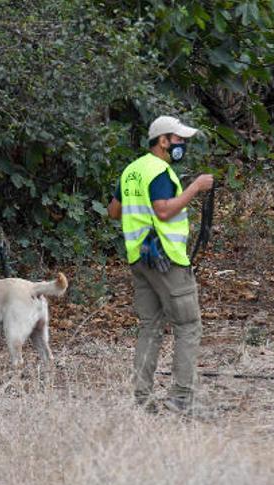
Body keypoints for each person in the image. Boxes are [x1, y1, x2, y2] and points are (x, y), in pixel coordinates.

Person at [108, 115, 214, 414]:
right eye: (179, 139)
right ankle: (182, 397)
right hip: (167, 259)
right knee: (188, 325)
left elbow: (114, 211)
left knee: (149, 328)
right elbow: (164, 211)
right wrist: (195, 188)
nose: (183, 144)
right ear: (163, 140)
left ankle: (142, 399)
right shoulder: (160, 171)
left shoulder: (132, 170)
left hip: (139, 259)